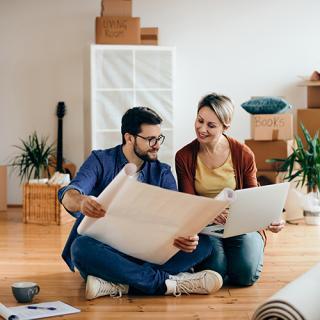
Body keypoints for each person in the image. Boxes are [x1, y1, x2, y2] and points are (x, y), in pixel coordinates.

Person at [58, 106, 223, 300]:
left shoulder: (162, 172)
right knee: (80, 248)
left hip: (149, 253)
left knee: (203, 245)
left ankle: (117, 284)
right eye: (150, 139)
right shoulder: (101, 160)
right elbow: (68, 193)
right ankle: (167, 283)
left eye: (159, 138)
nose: (157, 145)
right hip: (109, 251)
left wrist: (188, 236)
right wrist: (82, 201)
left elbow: (177, 217)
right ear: (129, 138)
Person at [175, 93, 285, 286]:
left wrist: (270, 218)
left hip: (240, 223)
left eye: (211, 125)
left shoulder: (243, 154)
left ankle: (236, 259)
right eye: (200, 120)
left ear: (226, 127)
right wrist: (209, 214)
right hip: (205, 225)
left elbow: (253, 197)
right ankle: (223, 260)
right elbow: (188, 203)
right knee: (215, 270)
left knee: (244, 276)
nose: (202, 129)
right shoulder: (184, 156)